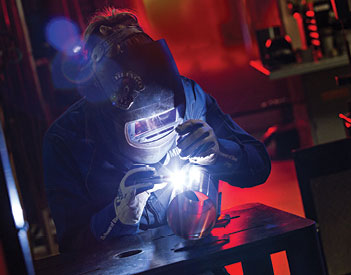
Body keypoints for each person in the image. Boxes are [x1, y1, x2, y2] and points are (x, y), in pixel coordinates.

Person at [43, 8, 271, 253]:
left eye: (165, 118)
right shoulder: (67, 139)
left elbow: (258, 168)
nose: (155, 131)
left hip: (198, 259)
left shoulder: (190, 98)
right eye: (141, 126)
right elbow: (73, 250)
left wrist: (219, 154)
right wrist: (118, 217)